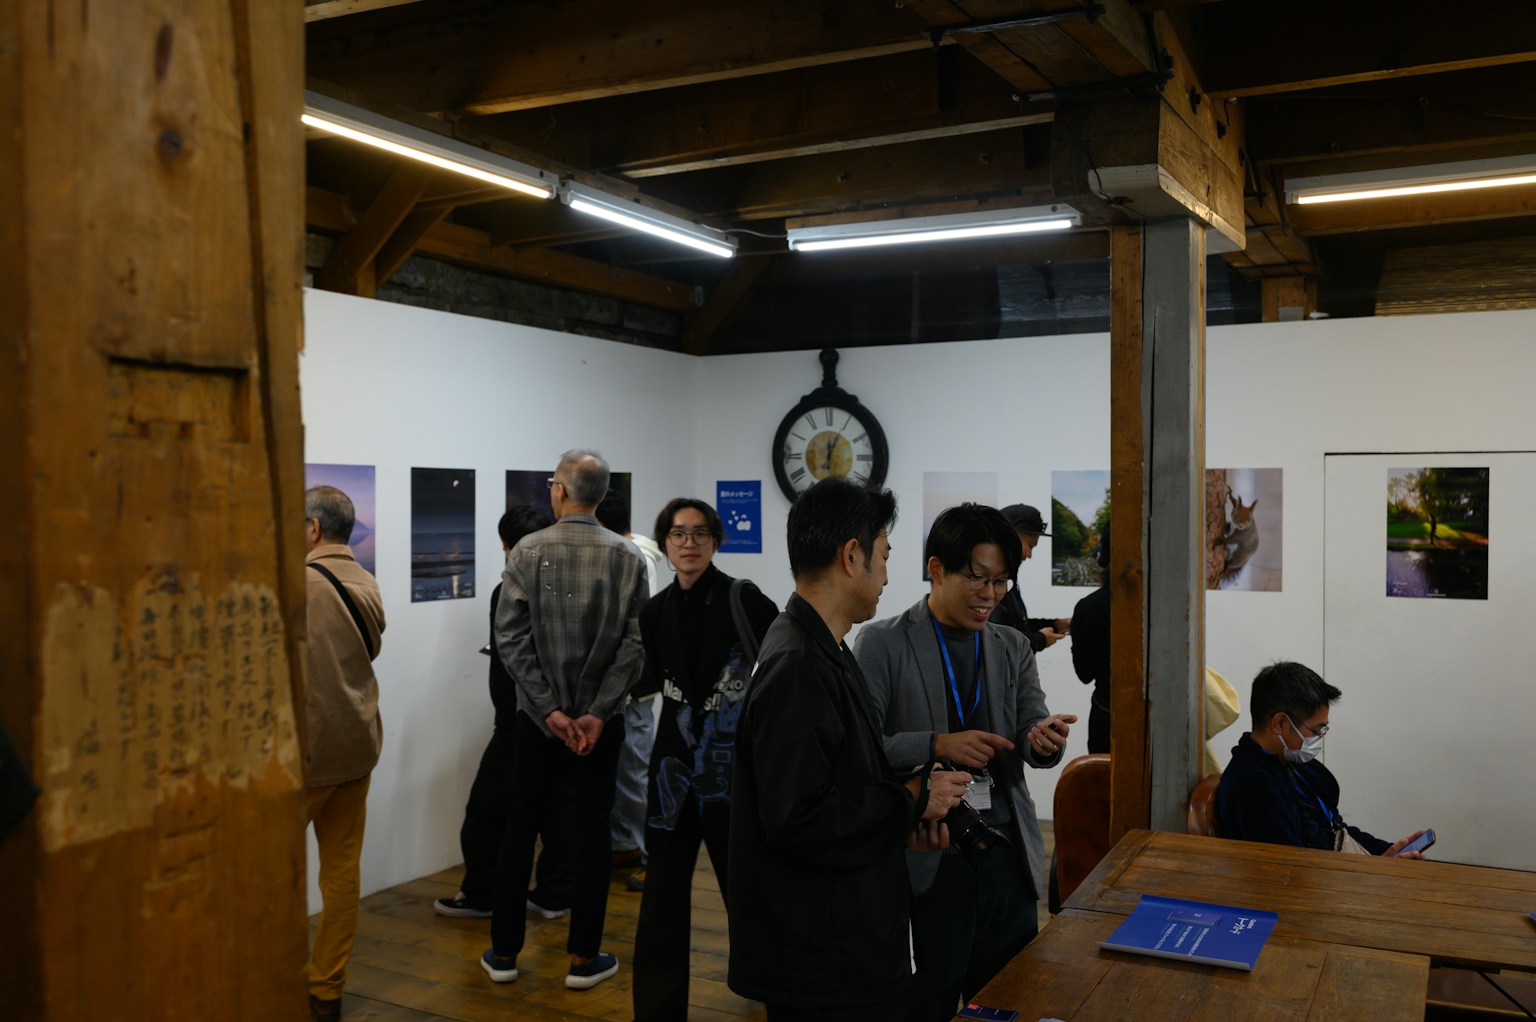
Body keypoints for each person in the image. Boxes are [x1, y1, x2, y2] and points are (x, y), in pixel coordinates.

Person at [728, 478, 972, 1022]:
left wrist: (902, 819)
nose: (887, 575)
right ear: (852, 555)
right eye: (883, 556)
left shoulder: (821, 646)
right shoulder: (797, 665)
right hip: (822, 958)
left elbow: (842, 782)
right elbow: (800, 818)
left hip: (842, 937)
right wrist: (912, 796)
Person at [855, 503, 1075, 1022]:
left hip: (1004, 849)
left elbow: (1030, 725)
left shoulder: (1012, 645)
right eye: (978, 578)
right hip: (929, 852)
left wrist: (1043, 742)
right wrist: (936, 744)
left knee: (1006, 999)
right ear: (936, 569)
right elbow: (862, 747)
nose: (990, 595)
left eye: (1002, 582)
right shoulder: (883, 642)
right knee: (927, 999)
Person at [481, 449, 649, 991]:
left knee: (519, 828)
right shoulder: (627, 558)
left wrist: (549, 709)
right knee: (593, 831)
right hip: (602, 724)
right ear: (599, 495)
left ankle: (504, 954)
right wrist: (596, 713)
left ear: (559, 491)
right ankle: (583, 957)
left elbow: (510, 636)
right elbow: (636, 644)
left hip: (537, 722)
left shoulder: (528, 550)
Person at [632, 498, 779, 1022]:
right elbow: (648, 681)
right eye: (677, 534)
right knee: (662, 896)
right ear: (666, 544)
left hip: (731, 770)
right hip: (673, 770)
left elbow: (782, 675)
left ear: (716, 540)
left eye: (698, 534)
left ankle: (770, 986)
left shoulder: (745, 600)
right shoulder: (653, 612)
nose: (688, 543)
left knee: (747, 884)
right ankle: (656, 1008)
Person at [435, 505, 578, 921]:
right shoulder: (567, 585)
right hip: (567, 717)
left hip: (520, 721)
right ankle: (555, 893)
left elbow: (512, 663)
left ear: (504, 545)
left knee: (488, 811)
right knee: (558, 809)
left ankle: (484, 895)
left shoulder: (509, 591)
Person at [302, 486, 387, 1022]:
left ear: (312, 529)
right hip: (357, 747)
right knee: (340, 876)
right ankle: (326, 990)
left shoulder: (300, 584)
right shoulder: (367, 580)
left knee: (267, 878)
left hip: (303, 758)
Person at [1216, 662, 1427, 857]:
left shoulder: (1293, 764)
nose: (1318, 738)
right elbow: (1291, 871)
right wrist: (1374, 872)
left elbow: (1334, 829)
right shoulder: (1252, 787)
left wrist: (1386, 851)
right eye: (1316, 730)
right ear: (1280, 723)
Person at [595, 490, 667, 885]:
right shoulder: (636, 552)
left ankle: (651, 854)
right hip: (636, 681)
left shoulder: (629, 557)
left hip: (634, 682)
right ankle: (628, 844)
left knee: (636, 769)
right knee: (628, 768)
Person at [989, 504, 1070, 651]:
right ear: (1009, 537)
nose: (1029, 555)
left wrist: (1054, 624)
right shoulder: (992, 587)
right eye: (1030, 545)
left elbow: (1016, 625)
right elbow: (1004, 643)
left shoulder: (1007, 582)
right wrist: (1040, 639)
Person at [1069, 522, 1111, 753]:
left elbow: (1085, 675)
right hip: (1160, 721)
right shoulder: (1164, 608)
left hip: (1106, 717)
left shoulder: (1088, 608)